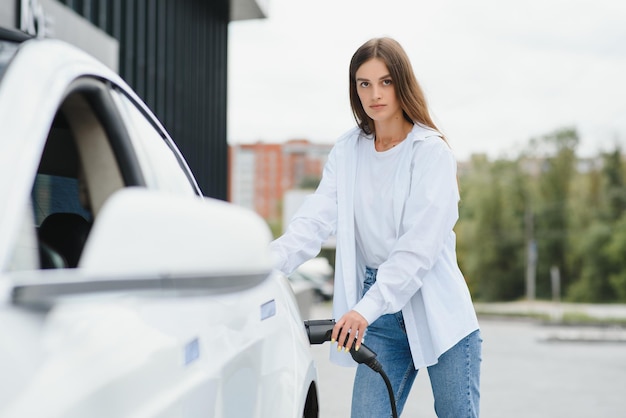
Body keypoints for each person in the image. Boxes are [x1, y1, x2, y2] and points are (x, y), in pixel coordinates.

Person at [270, 37, 481, 417]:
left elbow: (418, 249)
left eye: (385, 81)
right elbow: (314, 220)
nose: (374, 94)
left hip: (438, 309)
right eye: (363, 83)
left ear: (402, 83)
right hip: (379, 313)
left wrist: (364, 309)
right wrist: (262, 267)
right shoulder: (347, 151)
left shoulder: (430, 152)